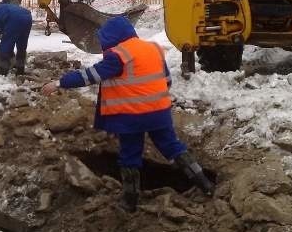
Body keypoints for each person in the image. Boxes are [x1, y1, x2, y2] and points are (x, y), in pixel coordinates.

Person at [41, 16, 214, 212]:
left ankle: (130, 200)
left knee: (130, 154)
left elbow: (92, 75)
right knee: (172, 147)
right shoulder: (153, 49)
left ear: (112, 37)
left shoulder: (119, 55)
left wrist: (59, 83)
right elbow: (166, 80)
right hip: (160, 113)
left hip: (132, 116)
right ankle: (204, 184)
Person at [0, 1, 32, 75]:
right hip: (27, 16)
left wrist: (0, 32)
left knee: (6, 45)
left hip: (14, 17)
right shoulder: (0, 9)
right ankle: (20, 68)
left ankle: (3, 70)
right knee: (22, 44)